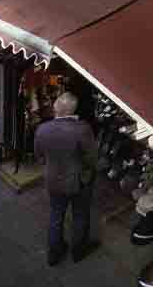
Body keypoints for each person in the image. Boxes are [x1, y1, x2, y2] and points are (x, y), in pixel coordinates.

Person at [34, 92, 98, 266]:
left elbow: (39, 156)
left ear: (55, 108)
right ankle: (79, 250)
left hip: (53, 180)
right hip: (79, 181)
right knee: (80, 215)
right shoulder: (82, 129)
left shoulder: (42, 129)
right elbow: (92, 158)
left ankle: (54, 253)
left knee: (56, 215)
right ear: (74, 109)